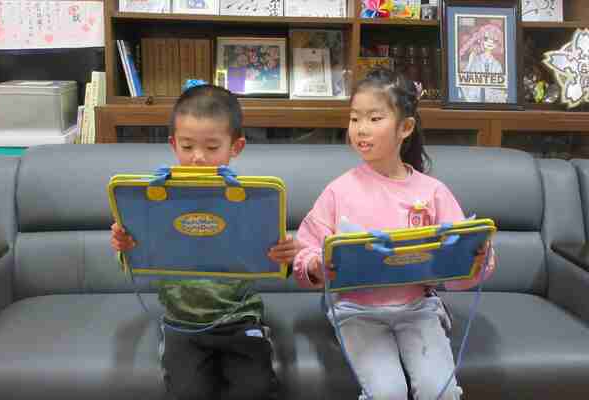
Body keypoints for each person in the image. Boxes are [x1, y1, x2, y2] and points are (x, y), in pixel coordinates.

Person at [292, 68, 496, 400]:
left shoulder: (433, 192)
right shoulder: (338, 191)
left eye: (374, 119)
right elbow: (304, 251)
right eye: (354, 118)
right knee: (387, 392)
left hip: (418, 309)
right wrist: (316, 265)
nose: (361, 129)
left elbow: (461, 271)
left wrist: (478, 256)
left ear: (405, 127)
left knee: (440, 392)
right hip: (356, 312)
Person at [110, 83, 302, 400]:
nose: (198, 158)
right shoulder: (156, 199)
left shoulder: (250, 199)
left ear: (236, 146)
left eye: (212, 148)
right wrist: (124, 244)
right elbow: (136, 259)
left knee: (255, 388)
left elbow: (276, 263)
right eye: (187, 147)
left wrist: (286, 254)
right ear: (173, 144)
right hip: (181, 322)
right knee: (188, 392)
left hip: (239, 319)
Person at [458, 22, 507, 103]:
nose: (490, 42)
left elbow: (499, 91)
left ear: (497, 44)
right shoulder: (474, 60)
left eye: (494, 40)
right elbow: (466, 84)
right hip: (473, 103)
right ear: (480, 39)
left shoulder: (497, 65)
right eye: (486, 39)